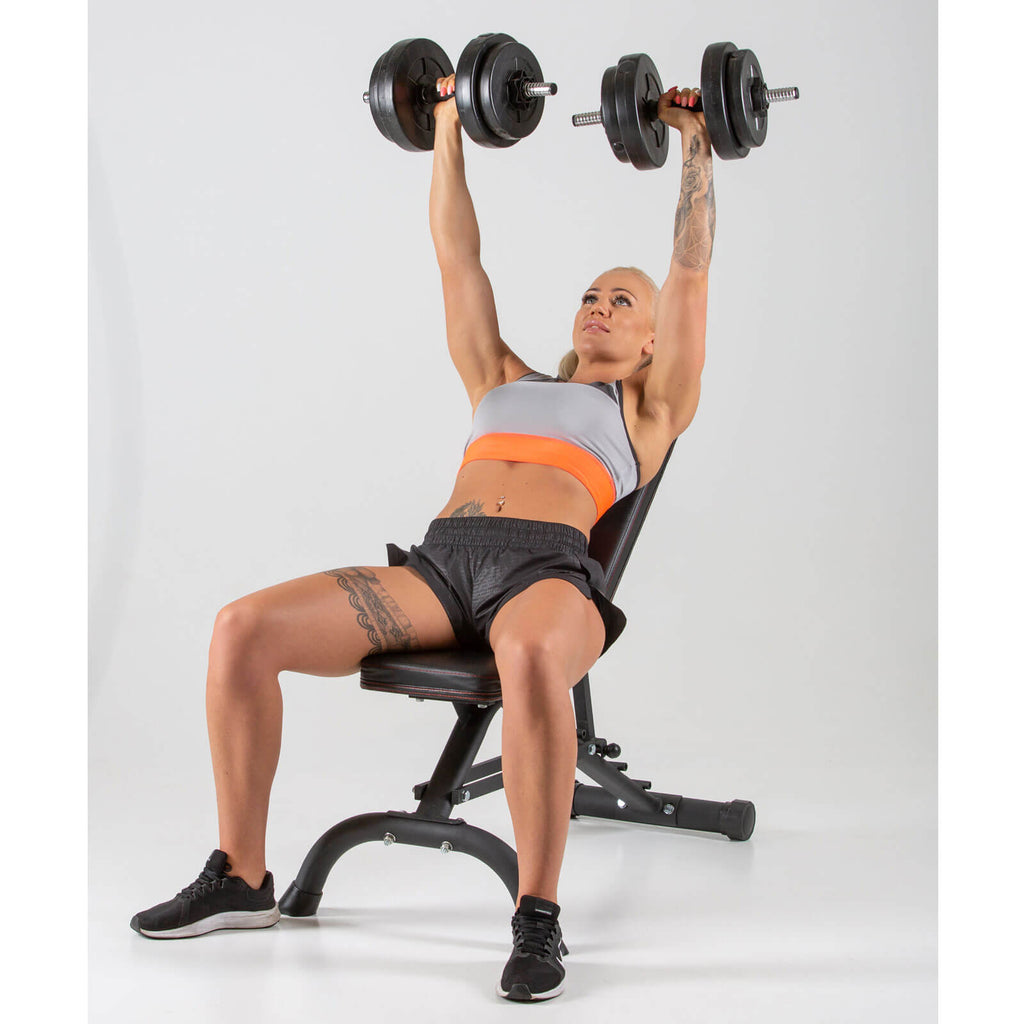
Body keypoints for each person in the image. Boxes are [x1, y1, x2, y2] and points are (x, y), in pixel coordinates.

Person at [129, 72, 715, 1003]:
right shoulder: (501, 376)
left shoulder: (648, 408)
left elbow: (689, 275)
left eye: (622, 303)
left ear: (650, 344)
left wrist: (695, 146)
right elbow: (458, 260)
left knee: (527, 654)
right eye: (592, 296)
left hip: (548, 576)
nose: (600, 306)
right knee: (242, 627)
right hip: (443, 568)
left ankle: (537, 915)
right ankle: (242, 874)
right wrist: (447, 124)